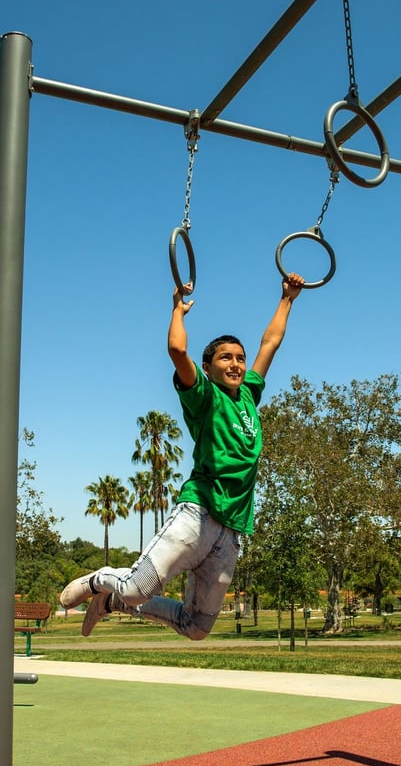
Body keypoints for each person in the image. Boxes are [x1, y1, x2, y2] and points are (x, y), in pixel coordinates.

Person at [59, 271, 306, 638]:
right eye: (225, 358)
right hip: (198, 515)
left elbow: (270, 343)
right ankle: (102, 581)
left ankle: (112, 604)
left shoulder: (249, 394)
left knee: (197, 627)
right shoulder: (204, 396)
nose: (236, 364)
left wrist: (287, 299)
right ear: (208, 368)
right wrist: (177, 308)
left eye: (239, 357)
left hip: (232, 530)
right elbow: (177, 350)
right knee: (134, 588)